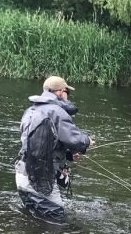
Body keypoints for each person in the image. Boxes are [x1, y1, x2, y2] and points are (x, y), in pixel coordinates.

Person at [15, 76, 94, 222]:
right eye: (67, 92)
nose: (67, 96)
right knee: (56, 223)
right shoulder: (56, 112)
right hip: (40, 180)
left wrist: (68, 156)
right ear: (60, 92)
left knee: (33, 221)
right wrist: (87, 140)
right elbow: (76, 141)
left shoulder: (30, 110)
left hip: (22, 175)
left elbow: (38, 145)